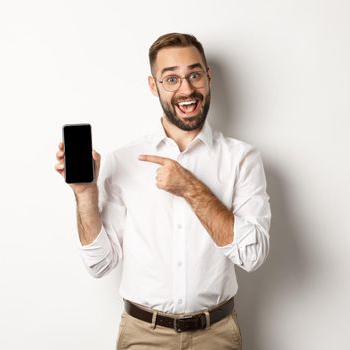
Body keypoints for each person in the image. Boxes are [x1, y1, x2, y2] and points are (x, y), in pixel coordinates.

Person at [54, 33, 271, 350]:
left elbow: (252, 256)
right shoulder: (124, 160)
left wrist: (191, 187)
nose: (186, 89)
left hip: (217, 336)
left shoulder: (242, 159)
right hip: (144, 336)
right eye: (171, 79)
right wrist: (85, 194)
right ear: (154, 86)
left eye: (194, 75)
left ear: (208, 77)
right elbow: (100, 264)